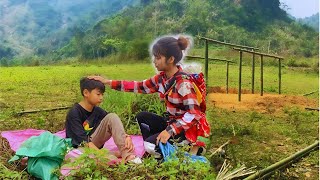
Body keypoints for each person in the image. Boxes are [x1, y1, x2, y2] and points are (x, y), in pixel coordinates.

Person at [89, 35, 210, 157]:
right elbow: (139, 86)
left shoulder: (183, 84)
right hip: (171, 122)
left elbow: (194, 114)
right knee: (142, 117)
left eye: (158, 57)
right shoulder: (162, 79)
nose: (154, 61)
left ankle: (187, 147)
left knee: (150, 145)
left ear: (171, 59)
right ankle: (160, 146)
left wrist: (169, 131)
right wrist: (108, 82)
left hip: (184, 129)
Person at [65, 77, 142, 164]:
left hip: (92, 143)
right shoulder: (74, 112)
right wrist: (103, 156)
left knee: (112, 116)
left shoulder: (97, 110)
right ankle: (108, 155)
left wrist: (126, 137)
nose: (101, 98)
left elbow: (112, 123)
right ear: (86, 93)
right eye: (98, 94)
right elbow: (83, 142)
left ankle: (128, 156)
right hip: (78, 148)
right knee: (87, 159)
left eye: (102, 94)